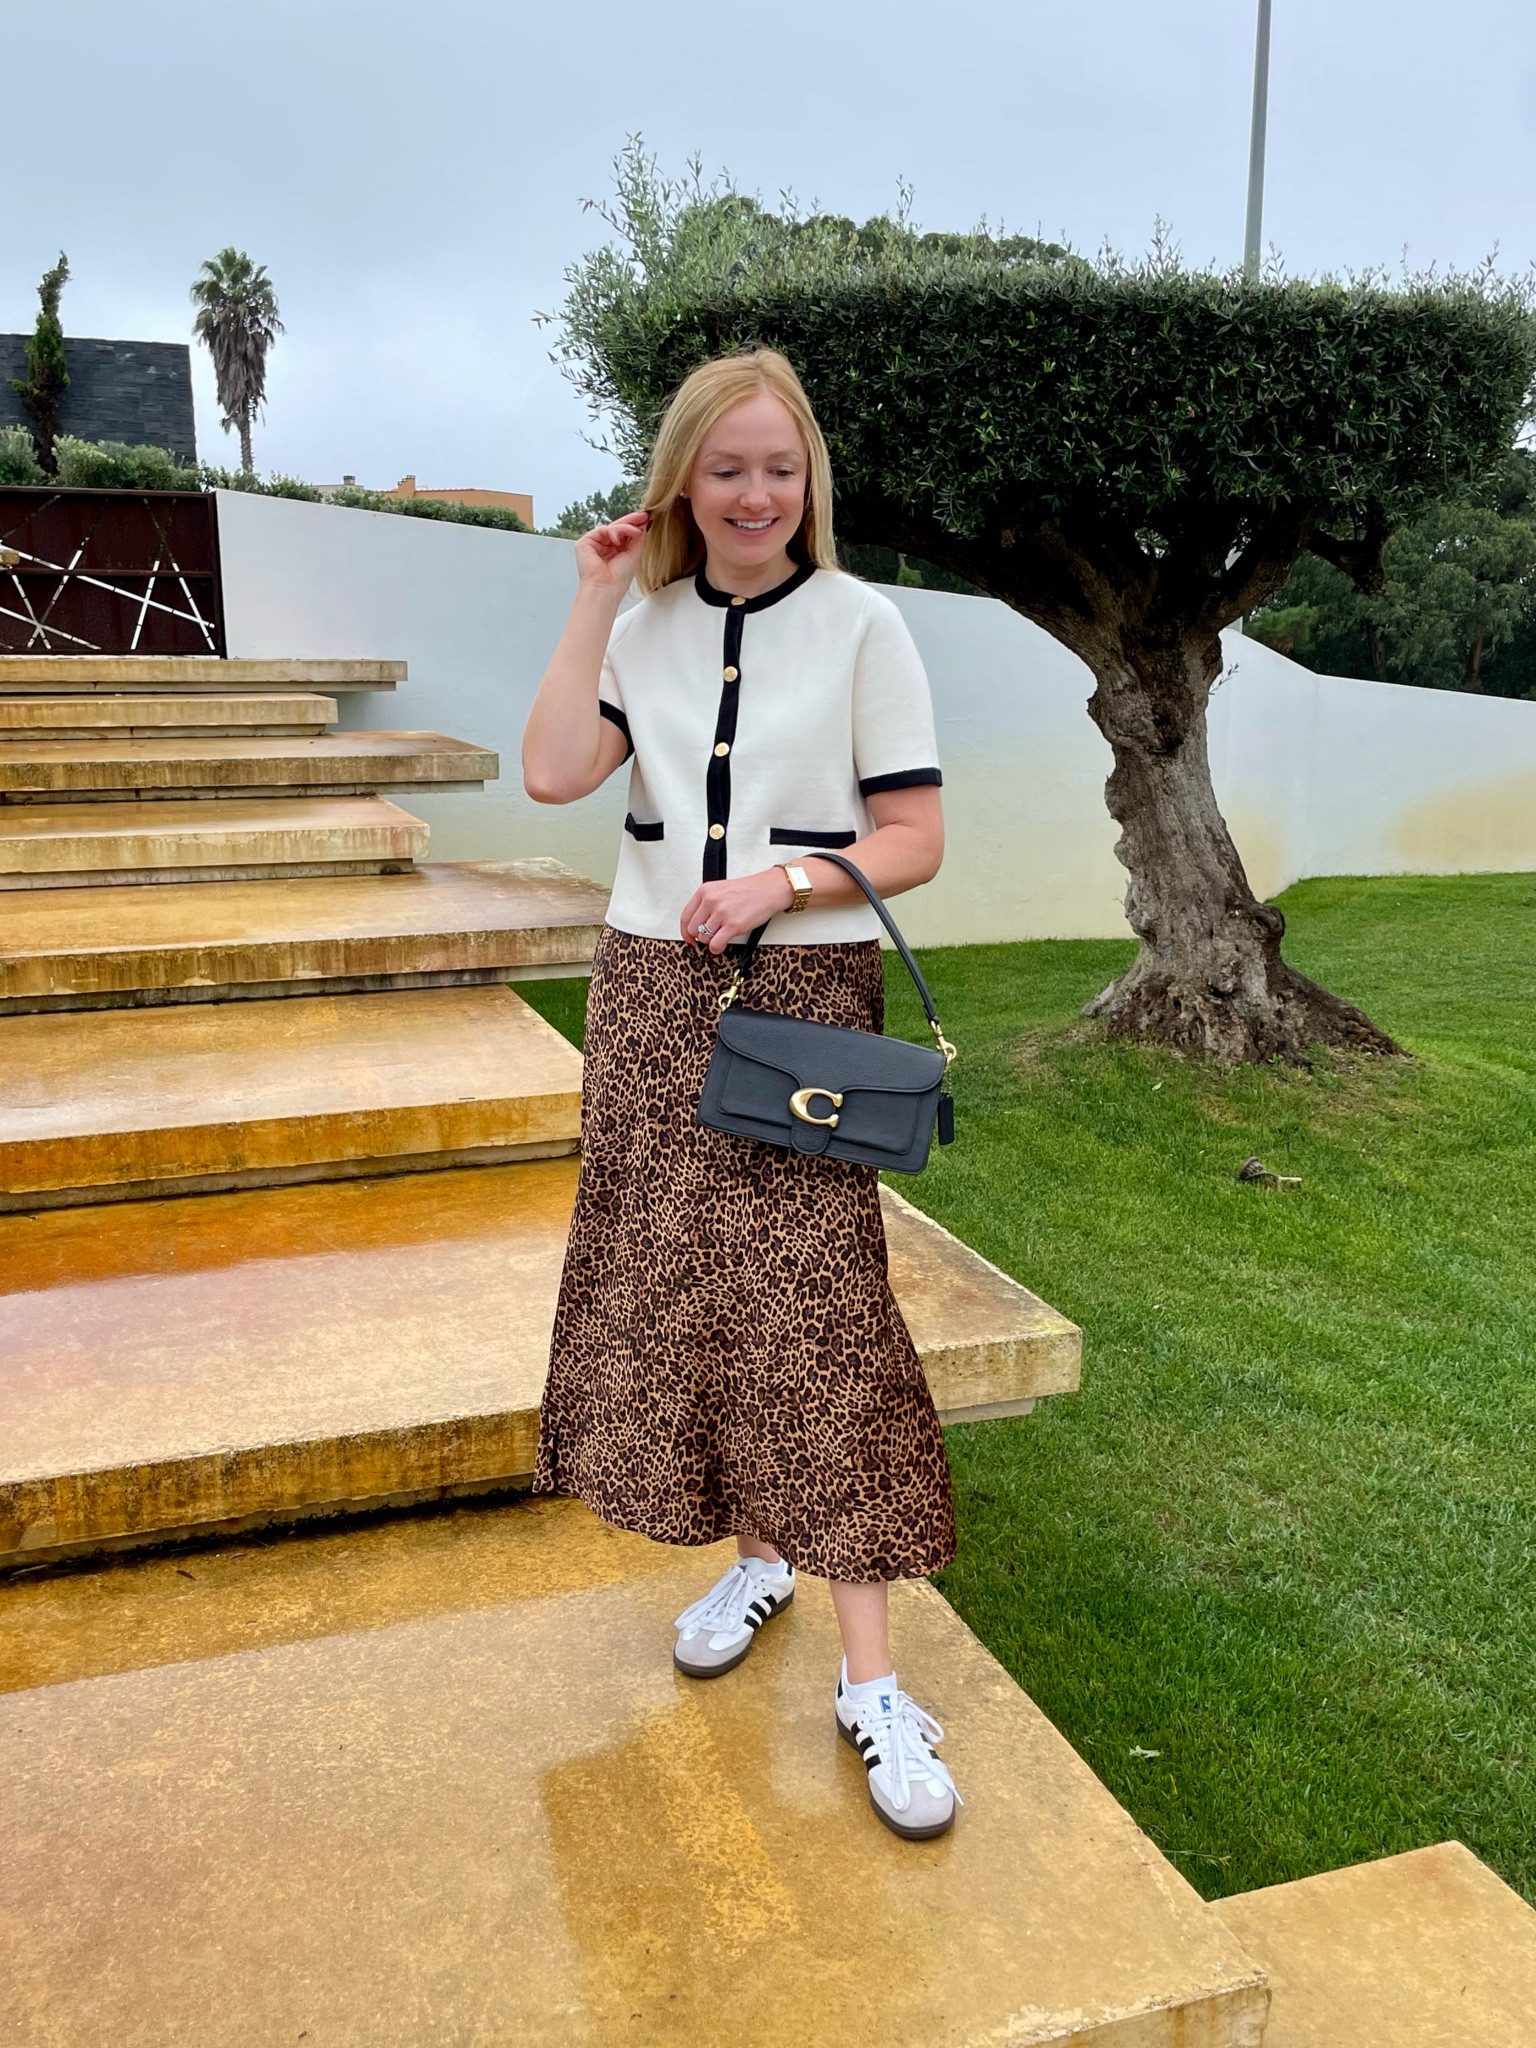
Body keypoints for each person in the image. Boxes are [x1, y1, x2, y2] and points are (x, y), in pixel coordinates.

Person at [524, 347, 961, 1840]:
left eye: (780, 468)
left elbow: (914, 837)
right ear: (683, 484)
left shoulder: (863, 626)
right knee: (689, 1291)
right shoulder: (639, 626)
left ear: (809, 481)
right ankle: (758, 1553)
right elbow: (550, 775)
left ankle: (873, 1681)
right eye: (728, 469)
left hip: (802, 1005)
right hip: (649, 998)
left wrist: (779, 882)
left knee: (819, 1311)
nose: (756, 493)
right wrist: (592, 593)